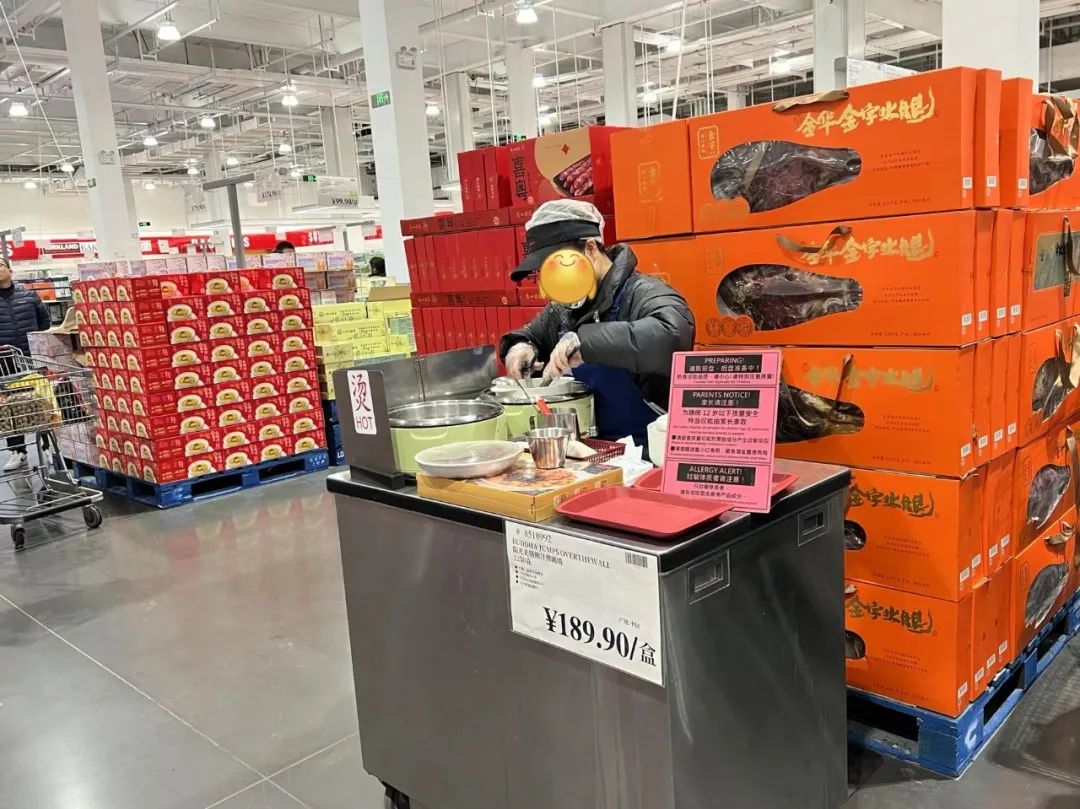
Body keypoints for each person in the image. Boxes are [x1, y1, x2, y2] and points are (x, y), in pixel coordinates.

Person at [498, 200, 694, 448]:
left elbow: (673, 336)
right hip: (590, 455)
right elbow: (528, 335)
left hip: (651, 456)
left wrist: (586, 344)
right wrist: (520, 348)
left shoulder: (643, 293)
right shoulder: (561, 309)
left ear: (590, 248)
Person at [0, 257, 51, 471]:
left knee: (42, 401)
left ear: (10, 270)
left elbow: (45, 322)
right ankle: (18, 451)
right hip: (5, 362)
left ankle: (47, 446)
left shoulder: (29, 295)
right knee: (11, 408)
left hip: (31, 358)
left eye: (0, 266)